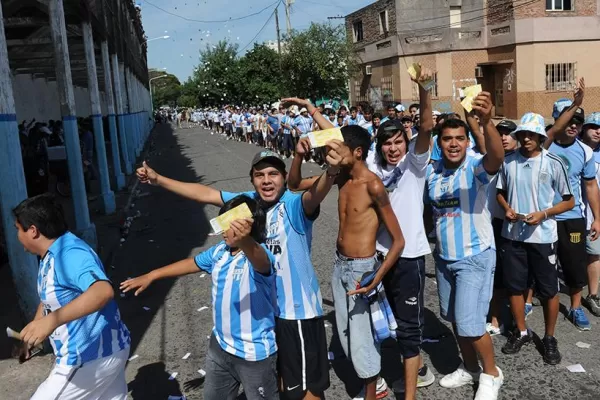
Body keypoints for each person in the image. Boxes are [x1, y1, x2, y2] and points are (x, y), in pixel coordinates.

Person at [136, 140, 339, 400]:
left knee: (306, 389)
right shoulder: (248, 203)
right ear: (252, 181)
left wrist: (331, 172)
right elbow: (205, 194)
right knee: (281, 382)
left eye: (273, 174)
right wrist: (158, 179)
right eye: (259, 175)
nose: (266, 181)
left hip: (295, 314)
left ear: (284, 177)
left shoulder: (292, 205)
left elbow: (316, 194)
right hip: (268, 315)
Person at [121, 196, 279, 400]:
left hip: (254, 356)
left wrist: (245, 240)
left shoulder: (258, 255)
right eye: (221, 223)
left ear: (248, 226)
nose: (222, 231)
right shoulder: (220, 252)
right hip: (219, 348)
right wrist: (152, 275)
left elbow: (261, 262)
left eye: (228, 225)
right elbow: (192, 263)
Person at [426, 92, 504, 399]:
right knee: (456, 320)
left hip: (475, 256)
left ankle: (491, 374)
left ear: (467, 141)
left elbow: (496, 157)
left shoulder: (474, 167)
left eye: (460, 138)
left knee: (472, 325)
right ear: (440, 142)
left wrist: (487, 122)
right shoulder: (433, 172)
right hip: (445, 258)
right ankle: (469, 367)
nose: (454, 143)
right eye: (447, 139)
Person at [14, 194, 130, 400]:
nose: (16, 236)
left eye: (17, 229)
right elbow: (50, 296)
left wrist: (51, 321)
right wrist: (35, 329)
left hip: (89, 358)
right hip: (109, 351)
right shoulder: (50, 255)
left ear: (33, 231)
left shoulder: (70, 254)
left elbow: (102, 291)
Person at [368, 66, 436, 399]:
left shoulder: (414, 165)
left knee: (409, 328)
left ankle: (409, 393)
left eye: (398, 142)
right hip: (379, 256)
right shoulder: (372, 169)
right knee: (387, 322)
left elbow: (426, 125)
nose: (393, 149)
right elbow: (341, 141)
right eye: (387, 143)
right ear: (379, 146)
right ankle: (417, 367)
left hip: (409, 258)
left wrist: (424, 88)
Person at [496, 113, 574, 365]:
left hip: (543, 237)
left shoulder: (553, 162)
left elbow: (568, 200)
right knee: (515, 286)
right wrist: (506, 208)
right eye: (523, 134)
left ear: (541, 136)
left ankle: (549, 337)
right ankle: (521, 331)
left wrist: (545, 213)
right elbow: (499, 192)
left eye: (532, 134)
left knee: (549, 290)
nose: (526, 138)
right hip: (513, 235)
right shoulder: (508, 162)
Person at [543, 78, 600, 330]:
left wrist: (597, 217)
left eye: (578, 120)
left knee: (575, 265)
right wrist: (575, 104)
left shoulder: (585, 152)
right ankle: (529, 303)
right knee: (539, 264)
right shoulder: (543, 146)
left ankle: (576, 308)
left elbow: (590, 186)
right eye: (568, 119)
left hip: (572, 218)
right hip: (543, 216)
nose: (574, 125)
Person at [486, 119, 518, 336]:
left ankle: (518, 322)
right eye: (500, 134)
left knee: (517, 277)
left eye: (509, 134)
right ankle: (495, 319)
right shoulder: (490, 159)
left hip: (520, 225)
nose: (504, 137)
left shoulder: (523, 159)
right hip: (495, 223)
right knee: (496, 274)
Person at [579, 112, 600, 317]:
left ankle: (593, 295)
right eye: (594, 126)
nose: (598, 131)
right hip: (573, 214)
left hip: (594, 216)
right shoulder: (575, 150)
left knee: (594, 253)